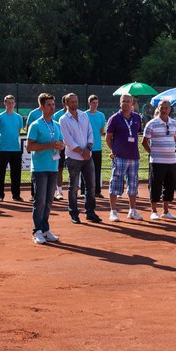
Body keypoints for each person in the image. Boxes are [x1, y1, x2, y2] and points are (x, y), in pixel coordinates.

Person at [26, 92, 64, 243]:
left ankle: (45, 228)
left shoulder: (57, 125)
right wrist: (49, 145)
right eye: (48, 105)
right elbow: (29, 146)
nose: (52, 107)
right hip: (40, 168)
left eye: (53, 104)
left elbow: (61, 143)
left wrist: (61, 145)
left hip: (53, 167)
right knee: (40, 200)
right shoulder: (35, 125)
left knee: (49, 200)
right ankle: (37, 231)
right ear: (41, 107)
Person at [58, 92, 99, 224]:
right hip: (73, 158)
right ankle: (74, 214)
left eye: (76, 101)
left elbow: (90, 133)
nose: (75, 104)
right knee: (73, 187)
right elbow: (68, 141)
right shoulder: (63, 120)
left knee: (91, 186)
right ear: (66, 104)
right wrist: (82, 152)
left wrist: (88, 148)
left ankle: (90, 212)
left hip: (88, 157)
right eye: (72, 102)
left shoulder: (84, 115)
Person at [105, 94, 144, 222]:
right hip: (120, 157)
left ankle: (132, 210)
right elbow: (108, 137)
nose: (126, 103)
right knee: (115, 183)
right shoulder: (114, 118)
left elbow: (136, 133)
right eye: (124, 101)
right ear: (120, 103)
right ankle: (113, 212)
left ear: (132, 103)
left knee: (133, 184)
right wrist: (114, 151)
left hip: (134, 157)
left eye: (128, 101)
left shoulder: (137, 117)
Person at [143, 99, 176, 220]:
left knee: (169, 186)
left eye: (166, 108)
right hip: (157, 161)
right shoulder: (151, 123)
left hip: (172, 161)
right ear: (157, 108)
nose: (163, 110)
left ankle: (166, 210)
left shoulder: (174, 123)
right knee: (155, 186)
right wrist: (152, 152)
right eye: (161, 108)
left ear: (170, 109)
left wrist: (168, 148)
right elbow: (144, 142)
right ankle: (153, 211)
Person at [0, 95, 24, 202]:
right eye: (8, 102)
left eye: (12, 102)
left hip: (16, 150)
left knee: (16, 174)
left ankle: (16, 195)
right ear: (5, 103)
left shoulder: (19, 117)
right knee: (1, 173)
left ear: (14, 104)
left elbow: (19, 131)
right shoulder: (0, 117)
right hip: (3, 150)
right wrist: (3, 139)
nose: (10, 105)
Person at [86, 94, 107, 198]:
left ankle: (97, 191)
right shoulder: (84, 115)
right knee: (85, 170)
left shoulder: (101, 115)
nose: (95, 105)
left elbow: (101, 131)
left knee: (97, 169)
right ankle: (84, 191)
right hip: (86, 148)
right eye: (93, 103)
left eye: (96, 103)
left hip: (97, 147)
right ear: (89, 103)